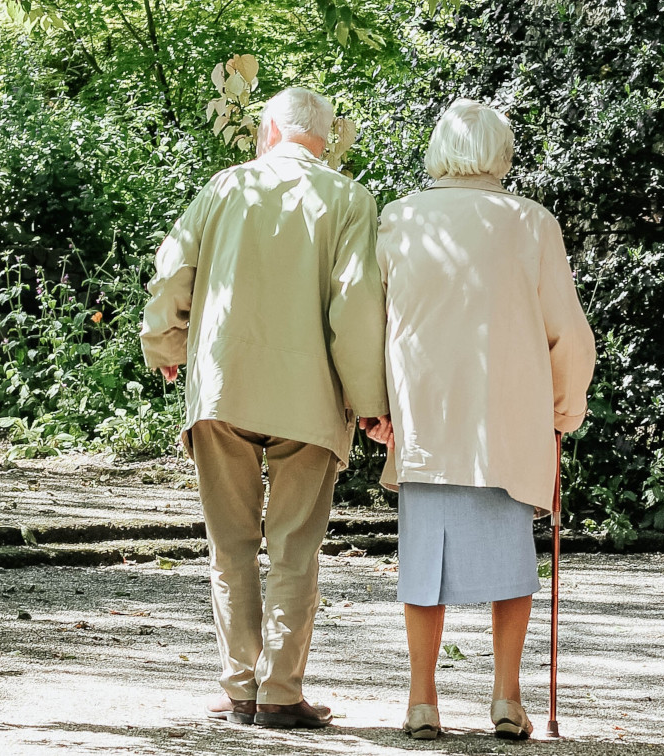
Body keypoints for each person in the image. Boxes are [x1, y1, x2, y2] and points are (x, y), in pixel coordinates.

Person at [140, 87, 391, 730]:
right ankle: (280, 693)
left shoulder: (224, 188)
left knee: (230, 545)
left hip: (225, 386)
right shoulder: (349, 200)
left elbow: (173, 274)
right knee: (294, 548)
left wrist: (165, 343)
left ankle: (238, 688)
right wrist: (370, 404)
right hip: (309, 397)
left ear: (268, 130)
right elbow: (356, 308)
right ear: (327, 138)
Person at [372, 99, 596, 740]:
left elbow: (372, 323)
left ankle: (422, 700)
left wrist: (375, 406)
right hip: (509, 418)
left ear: (439, 150)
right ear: (502, 153)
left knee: (423, 564)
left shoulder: (400, 219)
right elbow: (568, 333)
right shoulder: (531, 224)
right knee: (511, 563)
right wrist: (565, 405)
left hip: (428, 417)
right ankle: (505, 697)